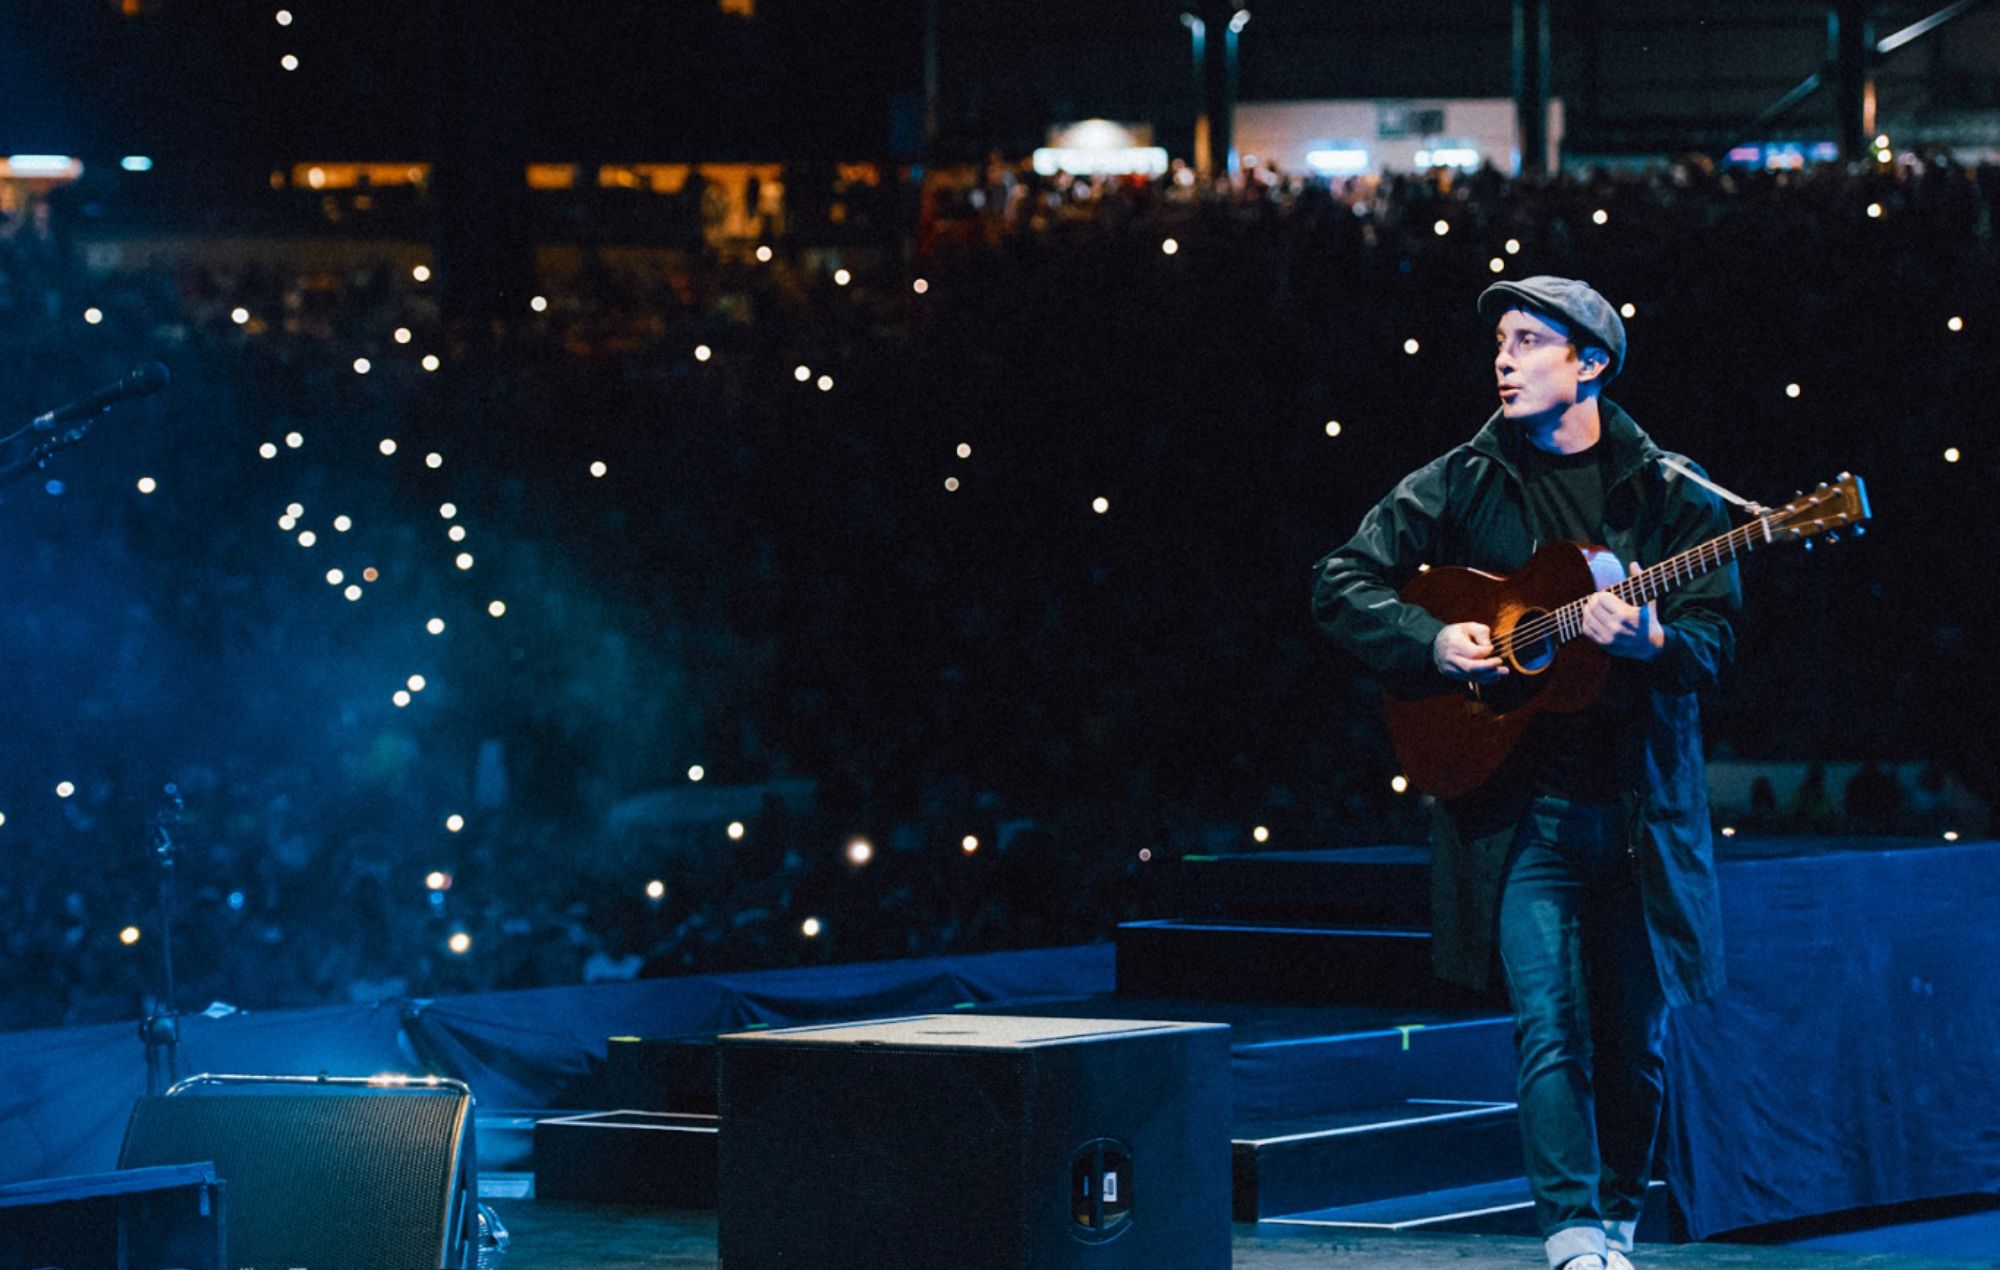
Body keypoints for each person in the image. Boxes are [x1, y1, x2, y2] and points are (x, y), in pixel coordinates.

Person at [1310, 277, 1740, 1270]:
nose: (1502, 359)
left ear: (1588, 362)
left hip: (1636, 809)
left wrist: (1649, 638)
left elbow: (1714, 642)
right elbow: (1339, 577)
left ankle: (1618, 1222)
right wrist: (1428, 640)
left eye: (1527, 341)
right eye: (1499, 341)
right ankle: (1569, 1234)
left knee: (1632, 1041)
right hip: (1516, 811)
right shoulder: (1461, 478)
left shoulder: (1668, 490)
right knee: (1546, 1023)